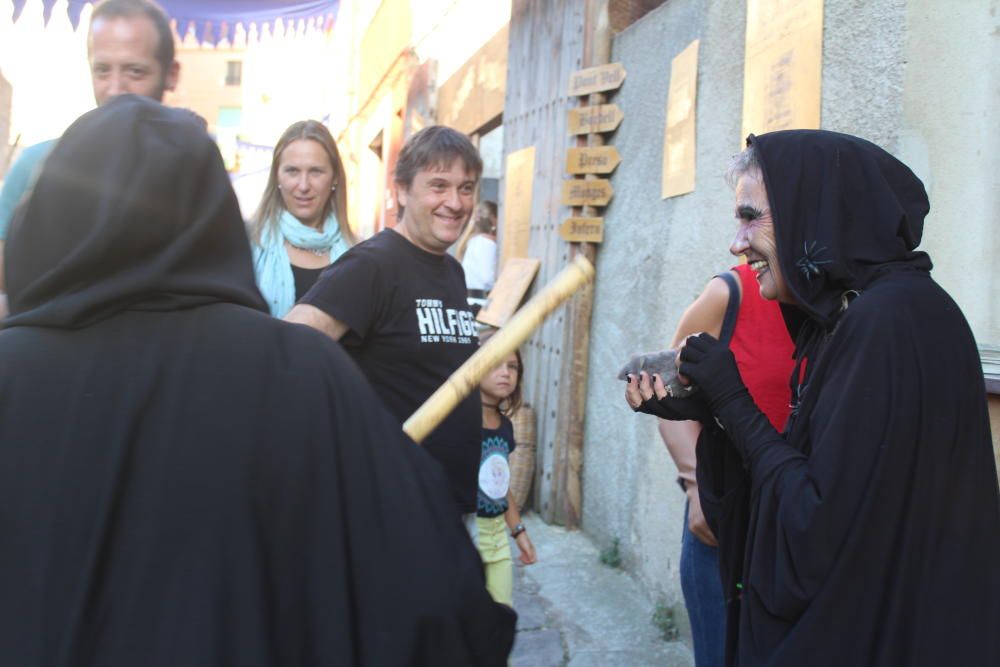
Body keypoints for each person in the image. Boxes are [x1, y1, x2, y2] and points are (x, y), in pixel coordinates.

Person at [0, 95, 515, 665]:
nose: (455, 203)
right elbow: (434, 604)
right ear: (212, 213)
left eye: (466, 189)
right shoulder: (303, 372)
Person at [649, 130, 1000, 666]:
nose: (736, 243)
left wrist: (731, 402)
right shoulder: (877, 312)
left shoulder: (885, 322)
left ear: (812, 214)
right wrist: (709, 413)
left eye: (751, 217)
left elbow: (815, 527)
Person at [286, 125, 483, 515]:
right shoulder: (373, 265)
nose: (456, 202)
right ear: (403, 191)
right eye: (439, 186)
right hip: (389, 504)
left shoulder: (452, 271)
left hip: (447, 502)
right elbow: (289, 345)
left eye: (466, 187)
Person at [627, 262, 793, 667]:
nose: (742, 240)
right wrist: (695, 486)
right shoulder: (729, 294)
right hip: (724, 518)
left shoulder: (840, 305)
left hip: (796, 519)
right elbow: (669, 399)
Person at [0, 0, 180, 308]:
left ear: (171, 75)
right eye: (102, 70)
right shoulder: (38, 164)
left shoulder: (191, 171)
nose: (114, 88)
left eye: (135, 71)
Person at [249, 120, 355, 317]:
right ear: (277, 177)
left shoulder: (357, 255)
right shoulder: (248, 243)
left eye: (316, 171)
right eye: (292, 171)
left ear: (334, 178)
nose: (303, 185)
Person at [476, 345, 538, 606]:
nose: (506, 373)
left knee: (501, 616)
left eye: (512, 367)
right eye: (496, 364)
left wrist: (518, 531)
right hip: (466, 533)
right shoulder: (458, 421)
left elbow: (501, 487)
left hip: (497, 538)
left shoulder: (505, 427)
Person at [458, 200, 498, 312]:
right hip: (481, 305)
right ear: (494, 220)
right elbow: (487, 279)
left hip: (469, 301)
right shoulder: (487, 244)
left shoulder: (472, 241)